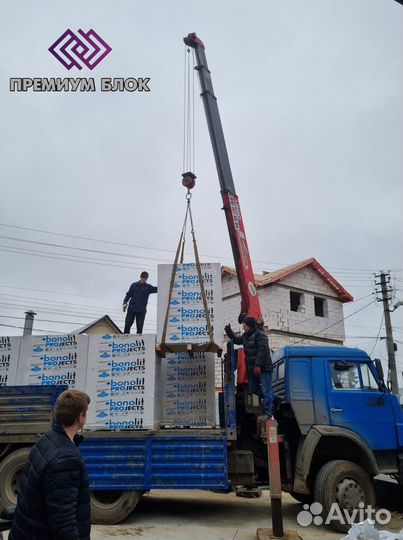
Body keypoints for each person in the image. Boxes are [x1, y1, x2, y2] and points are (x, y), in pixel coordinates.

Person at [10, 389, 91, 540]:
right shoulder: (66, 459)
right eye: (85, 412)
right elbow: (63, 522)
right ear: (80, 417)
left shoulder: (47, 439)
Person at [225, 316, 274, 419]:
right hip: (252, 369)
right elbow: (237, 340)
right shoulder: (246, 336)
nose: (243, 327)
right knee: (253, 390)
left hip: (263, 368)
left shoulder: (260, 335)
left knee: (266, 390)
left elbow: (263, 350)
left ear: (250, 326)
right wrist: (229, 332)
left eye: (245, 325)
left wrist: (258, 365)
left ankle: (268, 413)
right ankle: (267, 404)